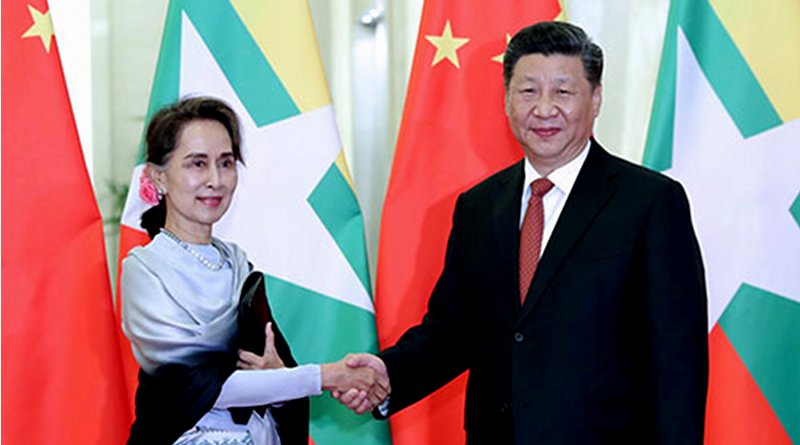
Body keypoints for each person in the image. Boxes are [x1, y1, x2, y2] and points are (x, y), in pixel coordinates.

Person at [337, 21, 708, 444]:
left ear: (596, 98)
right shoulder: (478, 206)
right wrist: (387, 373)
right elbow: (453, 330)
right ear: (507, 100)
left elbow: (678, 361)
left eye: (563, 92)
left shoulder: (650, 202)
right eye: (528, 91)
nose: (544, 108)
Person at [121, 97, 387, 445]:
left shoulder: (237, 265)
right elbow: (198, 387)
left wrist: (280, 383)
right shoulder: (145, 271)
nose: (216, 180)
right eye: (197, 164)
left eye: (226, 162)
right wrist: (326, 376)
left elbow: (273, 373)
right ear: (159, 177)